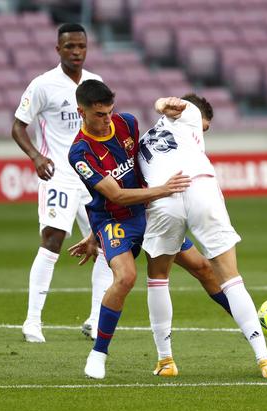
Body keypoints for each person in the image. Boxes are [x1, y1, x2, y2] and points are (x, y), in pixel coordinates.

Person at [137, 94, 267, 379]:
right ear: (202, 117)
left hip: (162, 196)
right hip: (199, 187)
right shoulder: (191, 112)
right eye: (207, 127)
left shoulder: (145, 140)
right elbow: (170, 104)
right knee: (231, 278)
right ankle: (265, 359)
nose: (204, 132)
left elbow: (160, 109)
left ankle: (165, 361)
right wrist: (163, 102)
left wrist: (159, 106)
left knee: (158, 278)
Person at [68, 79, 195, 379]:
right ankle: (98, 354)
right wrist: (163, 191)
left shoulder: (127, 123)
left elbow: (142, 165)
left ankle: (254, 337)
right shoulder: (80, 152)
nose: (106, 119)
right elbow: (116, 195)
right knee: (125, 278)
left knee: (202, 266)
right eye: (99, 114)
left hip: (146, 212)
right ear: (81, 112)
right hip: (114, 221)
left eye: (109, 111)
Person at [12, 23, 112, 342]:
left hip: (92, 177)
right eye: (69, 47)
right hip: (60, 174)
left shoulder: (96, 83)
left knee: (109, 244)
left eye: (81, 47)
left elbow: (105, 128)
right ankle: (32, 321)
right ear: (58, 50)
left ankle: (96, 318)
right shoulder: (43, 85)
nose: (76, 52)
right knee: (52, 239)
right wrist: (36, 157)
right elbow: (18, 126)